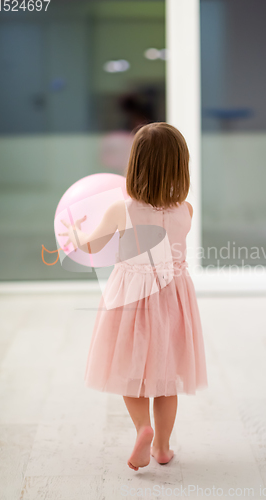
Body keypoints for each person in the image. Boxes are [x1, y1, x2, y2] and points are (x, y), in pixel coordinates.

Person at [58, 122, 208, 471]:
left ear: (135, 164)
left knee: (130, 370)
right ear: (179, 166)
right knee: (166, 377)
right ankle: (162, 448)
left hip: (131, 299)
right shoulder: (184, 210)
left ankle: (143, 428)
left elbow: (91, 246)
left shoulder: (121, 210)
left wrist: (76, 233)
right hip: (173, 299)